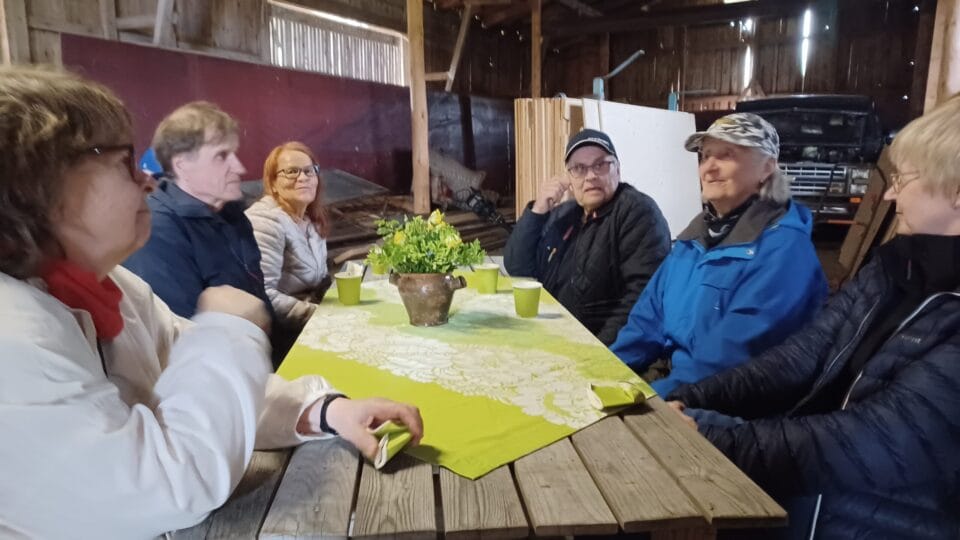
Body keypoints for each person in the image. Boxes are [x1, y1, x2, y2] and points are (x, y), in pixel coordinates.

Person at [0, 65, 423, 539]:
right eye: (124, 162)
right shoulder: (12, 339)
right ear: (38, 182)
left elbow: (211, 390)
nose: (146, 181)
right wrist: (226, 330)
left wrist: (324, 411)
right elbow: (163, 490)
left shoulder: (116, 287)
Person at [666, 95, 960, 539]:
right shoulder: (896, 268)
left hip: (869, 514)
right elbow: (803, 355)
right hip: (816, 482)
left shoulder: (784, 247)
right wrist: (691, 398)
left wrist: (707, 437)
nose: (891, 193)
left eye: (904, 178)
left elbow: (874, 440)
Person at [610, 113, 827, 395]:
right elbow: (646, 321)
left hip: (727, 400)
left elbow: (729, 358)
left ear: (767, 167)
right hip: (675, 379)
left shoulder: (784, 252)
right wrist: (607, 372)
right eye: (705, 156)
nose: (709, 168)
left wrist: (652, 398)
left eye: (727, 155)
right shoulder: (693, 239)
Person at [503, 129, 671, 344]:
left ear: (617, 170)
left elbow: (641, 297)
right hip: (552, 334)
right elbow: (518, 267)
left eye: (600, 165)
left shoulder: (637, 212)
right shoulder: (565, 214)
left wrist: (597, 350)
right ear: (569, 179)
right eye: (579, 169)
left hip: (596, 345)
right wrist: (538, 210)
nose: (591, 176)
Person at [122, 101, 270, 321]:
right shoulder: (156, 231)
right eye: (221, 156)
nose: (239, 168)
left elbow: (259, 299)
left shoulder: (231, 213)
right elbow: (183, 332)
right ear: (182, 164)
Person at [246, 142, 331, 328]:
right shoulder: (264, 222)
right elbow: (263, 295)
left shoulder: (310, 220)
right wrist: (323, 316)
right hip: (280, 330)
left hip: (311, 318)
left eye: (309, 171)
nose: (303, 178)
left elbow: (321, 279)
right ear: (273, 183)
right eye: (292, 171)